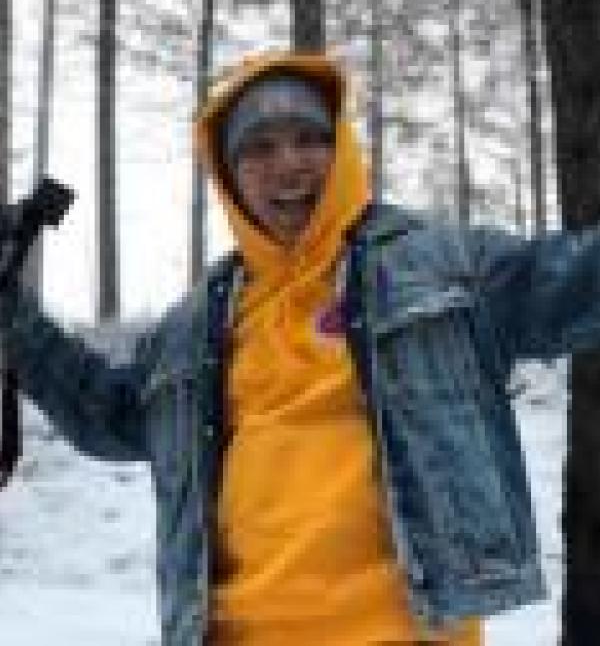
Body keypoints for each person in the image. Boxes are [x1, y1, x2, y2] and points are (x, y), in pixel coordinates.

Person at [3, 49, 600, 645]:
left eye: (309, 139)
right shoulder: (196, 323)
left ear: (342, 150)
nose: (288, 164)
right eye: (259, 148)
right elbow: (108, 416)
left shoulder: (441, 268)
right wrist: (13, 316)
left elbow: (575, 283)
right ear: (229, 174)